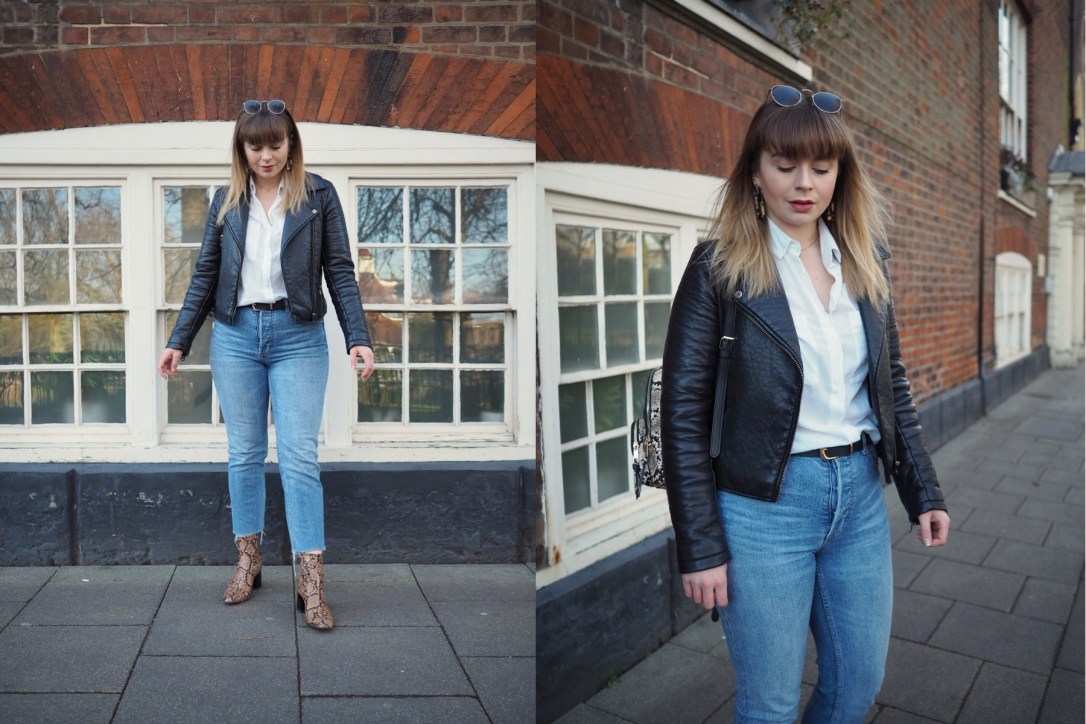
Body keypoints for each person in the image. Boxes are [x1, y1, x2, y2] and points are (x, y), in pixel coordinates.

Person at [661, 85, 950, 722]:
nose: (804, 183)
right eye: (785, 165)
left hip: (860, 498)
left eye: (822, 167)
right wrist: (700, 545)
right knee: (769, 705)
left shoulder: (867, 261)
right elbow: (681, 414)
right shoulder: (718, 268)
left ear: (841, 175)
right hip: (761, 509)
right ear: (755, 172)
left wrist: (923, 491)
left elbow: (890, 384)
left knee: (857, 686)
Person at [158, 99, 375, 631]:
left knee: (299, 458)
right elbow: (205, 275)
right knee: (245, 454)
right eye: (255, 146)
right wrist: (179, 340)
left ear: (290, 143)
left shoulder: (319, 196)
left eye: (275, 144)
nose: (266, 155)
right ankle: (249, 562)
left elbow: (339, 270)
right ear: (242, 149)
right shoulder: (227, 200)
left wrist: (358, 337)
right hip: (235, 337)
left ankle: (311, 581)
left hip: (298, 336)